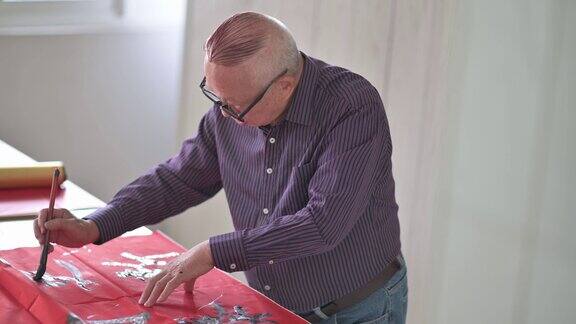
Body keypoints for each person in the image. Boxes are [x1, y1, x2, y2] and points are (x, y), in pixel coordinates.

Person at [33, 12, 407, 323]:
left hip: (355, 308)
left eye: (234, 104)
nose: (223, 113)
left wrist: (213, 251)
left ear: (284, 86)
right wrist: (97, 223)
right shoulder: (232, 108)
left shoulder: (351, 106)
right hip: (274, 302)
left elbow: (324, 224)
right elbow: (179, 178)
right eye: (216, 97)